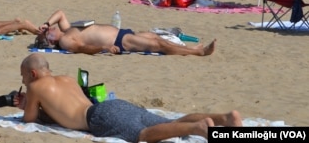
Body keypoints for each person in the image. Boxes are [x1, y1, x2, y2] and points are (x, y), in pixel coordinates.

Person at [14, 54, 242, 143]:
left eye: (24, 76)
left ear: (33, 74)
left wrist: (27, 105)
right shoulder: (65, 78)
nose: (23, 81)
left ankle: (199, 128)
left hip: (98, 117)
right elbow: (64, 108)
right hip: (112, 105)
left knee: (142, 136)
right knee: (169, 124)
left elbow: (30, 121)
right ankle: (225, 118)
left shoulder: (35, 86)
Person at [36, 9, 215, 56]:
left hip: (121, 32)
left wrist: (45, 23)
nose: (50, 29)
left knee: (155, 37)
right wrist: (104, 48)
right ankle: (198, 52)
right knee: (158, 45)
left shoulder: (66, 29)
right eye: (47, 33)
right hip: (119, 41)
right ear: (50, 41)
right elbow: (83, 47)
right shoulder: (65, 41)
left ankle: (192, 48)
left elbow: (59, 13)